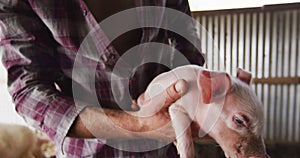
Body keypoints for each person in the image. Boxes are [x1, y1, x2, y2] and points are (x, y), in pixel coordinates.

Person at [0, 0, 205, 157]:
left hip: (166, 149)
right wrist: (141, 125)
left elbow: (187, 44)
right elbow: (29, 93)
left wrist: (185, 95)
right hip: (87, 152)